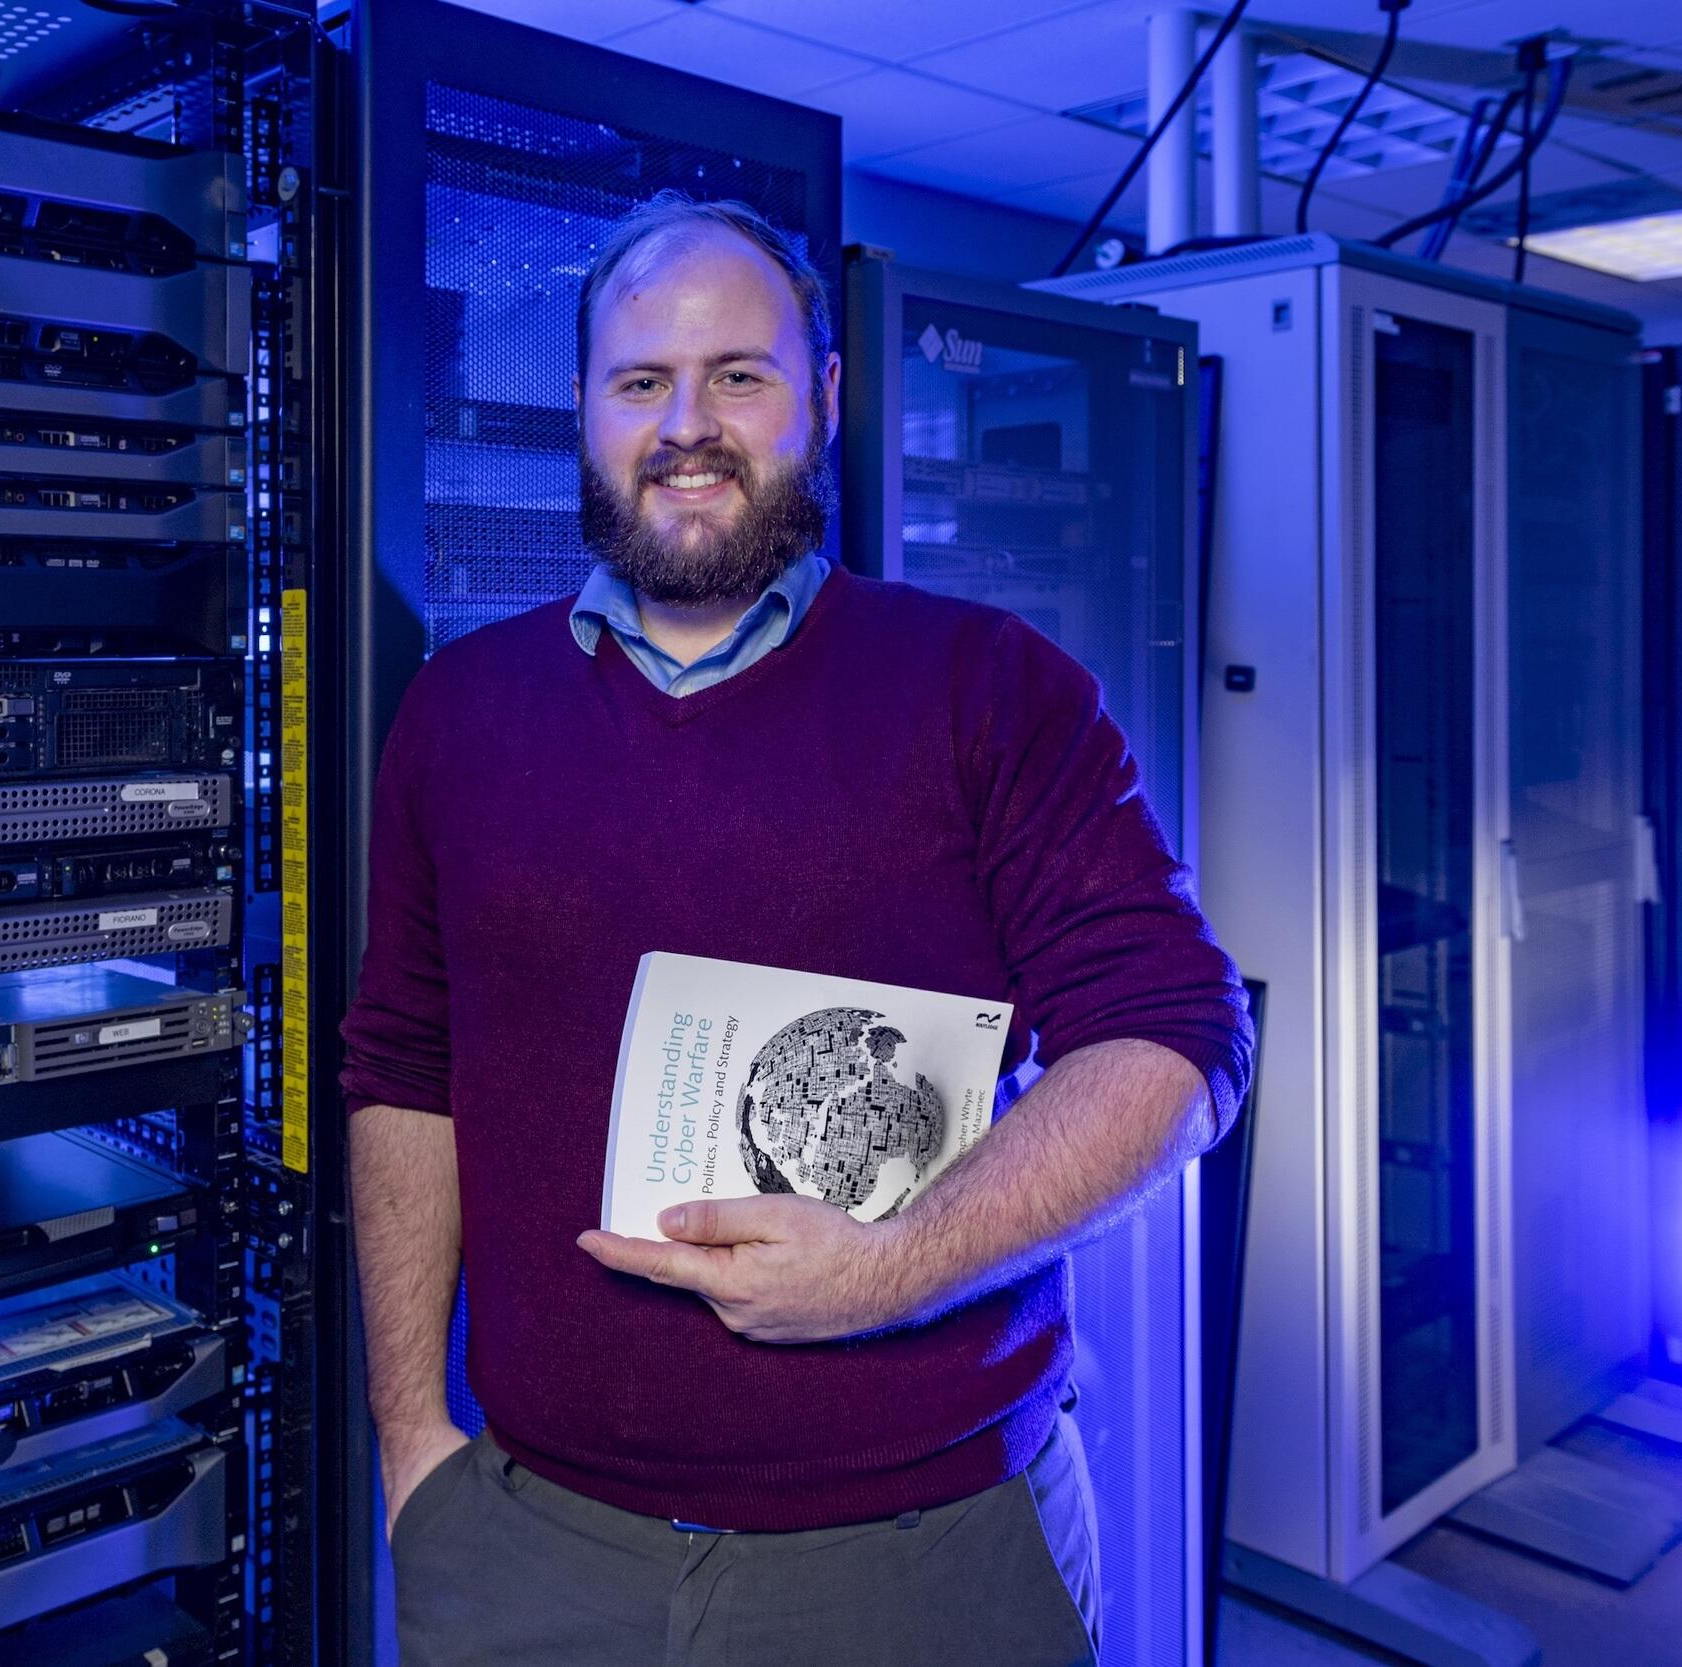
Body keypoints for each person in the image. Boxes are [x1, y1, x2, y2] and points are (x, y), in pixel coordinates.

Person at [340, 192, 1252, 1667]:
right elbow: (401, 1073)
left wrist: (886, 1273)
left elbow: (1175, 1039)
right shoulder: (459, 714)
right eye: (643, 382)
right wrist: (412, 1451)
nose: (687, 424)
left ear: (821, 400)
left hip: (924, 1558)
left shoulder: (987, 693)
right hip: (528, 1552)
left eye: (739, 376)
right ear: (582, 407)